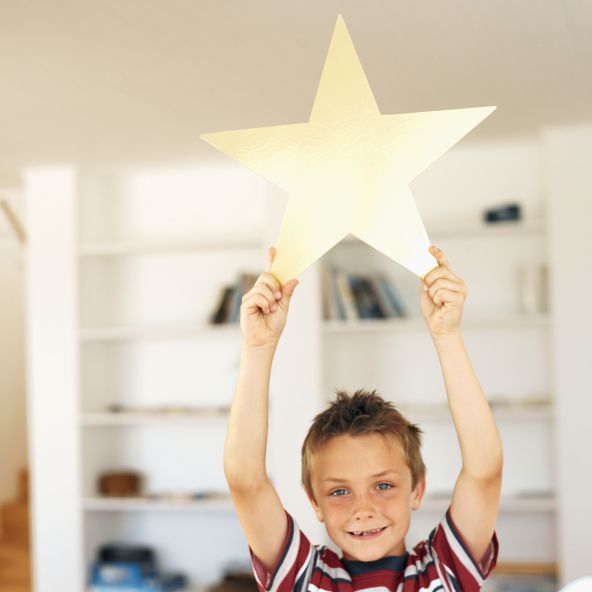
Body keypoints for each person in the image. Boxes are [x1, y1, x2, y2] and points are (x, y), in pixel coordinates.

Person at [224, 244, 502, 592]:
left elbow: (484, 472)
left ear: (417, 490)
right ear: (315, 503)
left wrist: (447, 336)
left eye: (383, 485)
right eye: (339, 491)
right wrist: (258, 348)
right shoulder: (304, 576)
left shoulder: (444, 568)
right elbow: (246, 482)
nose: (363, 509)